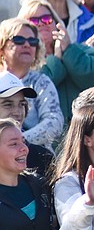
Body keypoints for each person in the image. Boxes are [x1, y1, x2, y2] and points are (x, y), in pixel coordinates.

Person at [19, 0, 94, 128]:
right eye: (33, 21)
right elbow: (36, 91)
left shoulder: (76, 49)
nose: (40, 24)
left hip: (86, 131)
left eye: (46, 19)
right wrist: (56, 59)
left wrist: (68, 50)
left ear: (56, 22)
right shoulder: (23, 64)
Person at [0, 18, 63, 147]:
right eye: (19, 40)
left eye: (32, 41)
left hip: (37, 159)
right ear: (2, 47)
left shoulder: (41, 82)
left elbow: (54, 122)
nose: (27, 45)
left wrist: (17, 140)